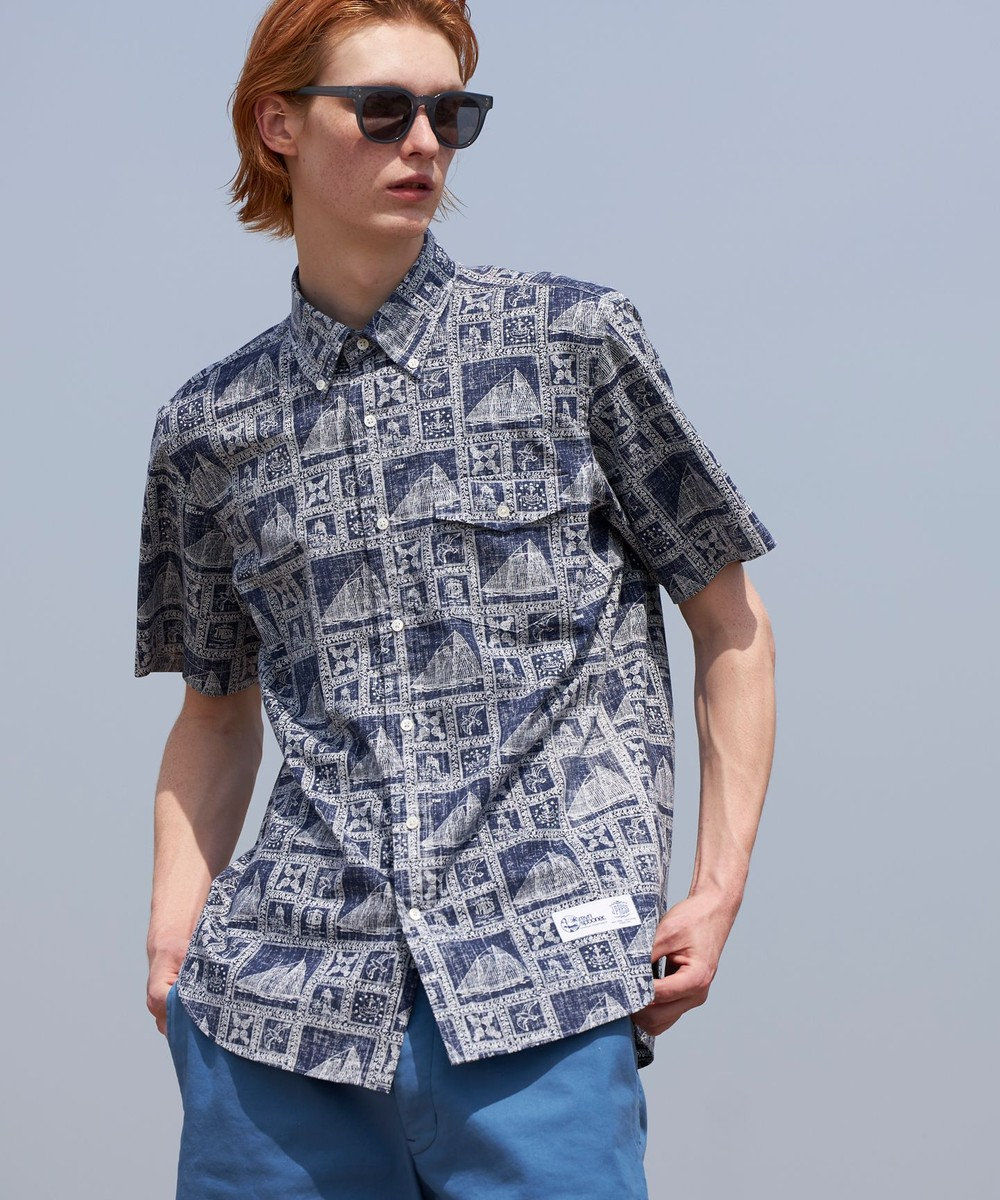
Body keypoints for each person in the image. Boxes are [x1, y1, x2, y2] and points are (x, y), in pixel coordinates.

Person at [134, 1, 777, 1196]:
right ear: (278, 124)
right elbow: (215, 710)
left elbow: (728, 621)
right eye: (384, 110)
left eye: (450, 113)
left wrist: (717, 886)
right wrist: (175, 939)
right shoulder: (208, 427)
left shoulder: (572, 341)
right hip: (275, 1011)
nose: (424, 141)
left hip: (540, 983)